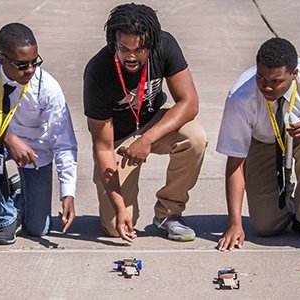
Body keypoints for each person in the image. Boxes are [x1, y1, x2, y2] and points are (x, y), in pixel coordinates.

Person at [83, 3, 207, 243]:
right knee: (114, 227)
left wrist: (147, 139)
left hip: (154, 122)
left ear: (152, 43)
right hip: (117, 139)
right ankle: (119, 209)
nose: (131, 56)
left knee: (195, 137)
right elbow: (103, 148)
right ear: (113, 43)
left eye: (140, 49)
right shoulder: (98, 71)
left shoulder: (165, 45)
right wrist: (119, 207)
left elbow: (189, 102)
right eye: (123, 48)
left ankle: (168, 214)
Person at [216, 37, 300, 250]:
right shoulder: (240, 97)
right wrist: (235, 224)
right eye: (261, 78)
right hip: (264, 140)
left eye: (276, 81)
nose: (266, 87)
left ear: (294, 74)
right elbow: (235, 162)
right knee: (266, 227)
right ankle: (287, 202)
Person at [0, 23, 78, 245]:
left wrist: (68, 192)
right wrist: (9, 138)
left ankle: (17, 190)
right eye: (22, 65)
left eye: (35, 62)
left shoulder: (48, 88)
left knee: (38, 229)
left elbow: (64, 143)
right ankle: (6, 217)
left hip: (36, 151)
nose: (30, 70)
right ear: (1, 59)